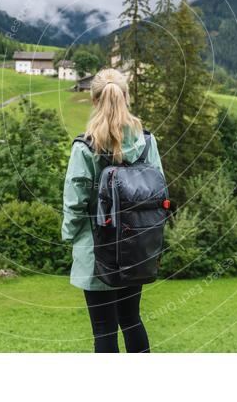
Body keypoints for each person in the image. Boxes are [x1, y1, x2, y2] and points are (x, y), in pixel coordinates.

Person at [62, 68, 164, 353]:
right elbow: (158, 192)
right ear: (127, 97)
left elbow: (74, 202)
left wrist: (69, 237)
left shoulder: (86, 147)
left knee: (104, 330)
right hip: (136, 248)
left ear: (94, 100)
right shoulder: (147, 142)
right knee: (131, 320)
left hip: (95, 251)